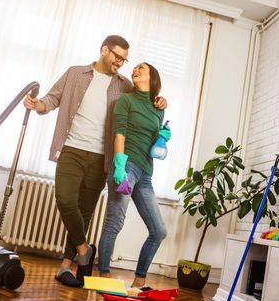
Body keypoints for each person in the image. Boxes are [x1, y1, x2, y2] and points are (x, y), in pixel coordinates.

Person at [23, 36, 167, 287]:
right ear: (104, 50)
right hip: (71, 148)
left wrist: (161, 101)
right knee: (66, 200)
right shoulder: (76, 73)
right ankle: (83, 250)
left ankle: (65, 267)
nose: (121, 63)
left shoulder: (124, 85)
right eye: (117, 57)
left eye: (125, 59)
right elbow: (53, 98)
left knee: (85, 211)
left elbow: (146, 103)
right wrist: (38, 105)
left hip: (102, 156)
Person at [98, 62, 171, 288]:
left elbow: (152, 142)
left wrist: (164, 137)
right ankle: (103, 276)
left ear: (153, 77)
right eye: (135, 68)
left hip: (145, 174)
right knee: (115, 222)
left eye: (142, 68)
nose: (135, 70)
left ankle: (139, 280)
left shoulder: (159, 108)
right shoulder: (125, 101)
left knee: (158, 231)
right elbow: (119, 134)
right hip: (126, 166)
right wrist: (119, 165)